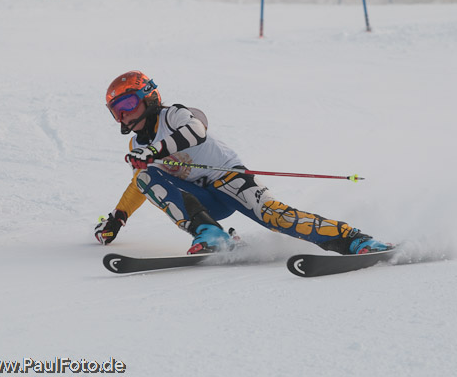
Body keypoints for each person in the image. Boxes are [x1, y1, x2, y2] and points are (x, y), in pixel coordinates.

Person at [95, 70, 391, 255]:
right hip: (199, 203)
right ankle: (210, 234)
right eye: (115, 111)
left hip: (229, 181)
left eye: (127, 105)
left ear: (149, 97)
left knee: (277, 218)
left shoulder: (173, 115)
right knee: (145, 176)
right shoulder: (137, 146)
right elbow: (142, 185)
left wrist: (156, 151)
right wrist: (118, 218)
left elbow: (196, 132)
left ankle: (354, 240)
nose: (123, 116)